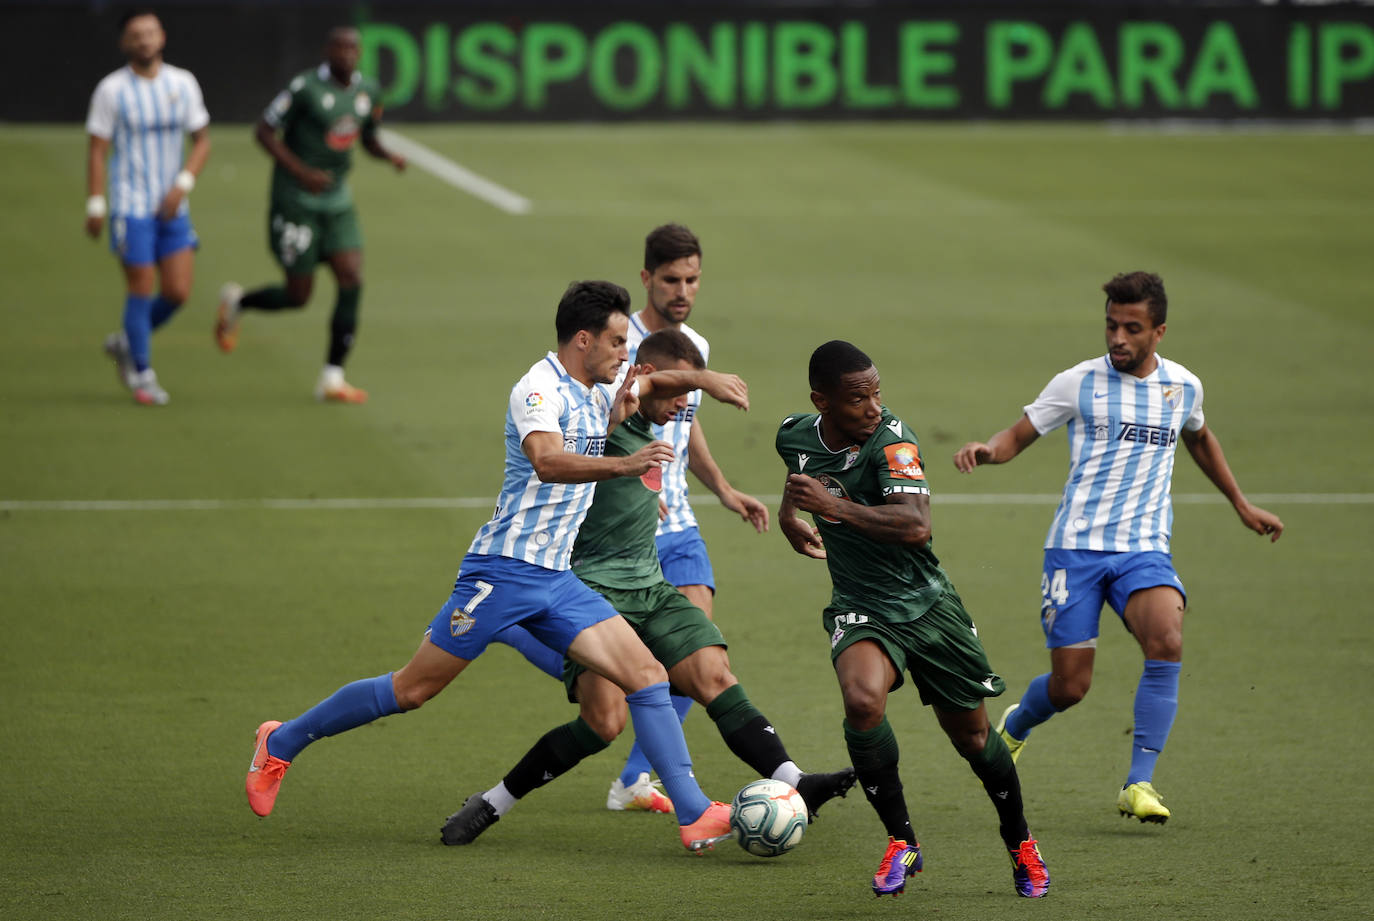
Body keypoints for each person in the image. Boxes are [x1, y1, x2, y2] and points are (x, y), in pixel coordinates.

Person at [246, 281, 755, 852]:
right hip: (502, 574)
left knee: (647, 675)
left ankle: (692, 812)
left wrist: (700, 380)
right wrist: (624, 464)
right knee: (411, 690)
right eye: (616, 342)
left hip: (559, 580)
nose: (625, 353)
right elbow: (547, 460)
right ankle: (281, 741)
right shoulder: (538, 389)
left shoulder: (600, 386)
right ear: (583, 340)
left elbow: (649, 383)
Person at [441, 330, 853, 847]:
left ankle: (793, 780)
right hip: (592, 591)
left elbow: (664, 422)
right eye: (679, 393)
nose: (684, 406)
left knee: (714, 674)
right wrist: (702, 379)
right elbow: (649, 387)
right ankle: (494, 801)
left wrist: (705, 490)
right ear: (643, 378)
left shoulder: (657, 429)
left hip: (650, 585)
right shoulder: (609, 413)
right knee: (602, 723)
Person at [953, 271, 1283, 825]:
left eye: (1132, 328)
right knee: (1070, 686)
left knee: (1167, 639)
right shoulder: (1077, 383)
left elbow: (1198, 436)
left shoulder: (1184, 387)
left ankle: (1139, 782)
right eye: (1111, 325)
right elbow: (1018, 435)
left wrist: (1241, 504)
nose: (1118, 338)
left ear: (1159, 331)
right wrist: (987, 451)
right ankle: (1016, 725)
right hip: (1075, 550)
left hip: (1144, 549)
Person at [492, 223, 771, 815]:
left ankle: (640, 777)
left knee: (699, 652)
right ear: (647, 278)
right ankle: (522, 630)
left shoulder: (692, 340)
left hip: (675, 521)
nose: (682, 291)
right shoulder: (619, 342)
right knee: (614, 687)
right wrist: (698, 385)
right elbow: (636, 401)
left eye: (692, 279)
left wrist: (722, 487)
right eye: (671, 279)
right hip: (616, 522)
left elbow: (688, 420)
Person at [777, 340, 1048, 899]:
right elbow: (800, 474)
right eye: (858, 398)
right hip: (861, 604)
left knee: (973, 738)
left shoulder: (893, 441)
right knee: (861, 700)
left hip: (927, 606)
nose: (874, 406)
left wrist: (833, 510)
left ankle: (1019, 840)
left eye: (877, 392)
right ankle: (903, 842)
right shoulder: (795, 434)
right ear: (821, 402)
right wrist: (789, 514)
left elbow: (915, 525)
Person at [214, 26, 405, 403]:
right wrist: (301, 172)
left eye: (353, 47)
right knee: (298, 296)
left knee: (351, 277)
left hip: (337, 202)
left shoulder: (368, 92)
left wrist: (388, 156)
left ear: (360, 52)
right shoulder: (304, 89)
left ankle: (332, 377)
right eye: (340, 47)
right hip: (295, 201)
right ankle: (238, 302)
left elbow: (366, 137)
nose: (347, 53)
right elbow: (264, 132)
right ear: (327, 51)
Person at [86, 8, 210, 406]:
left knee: (177, 292)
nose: (145, 40)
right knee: (140, 287)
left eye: (151, 33)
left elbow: (202, 140)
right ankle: (142, 372)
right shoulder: (111, 90)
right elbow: (97, 150)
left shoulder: (183, 82)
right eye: (137, 35)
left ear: (163, 37)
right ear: (125, 43)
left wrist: (183, 184)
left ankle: (126, 341)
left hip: (173, 205)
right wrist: (95, 202)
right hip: (131, 205)